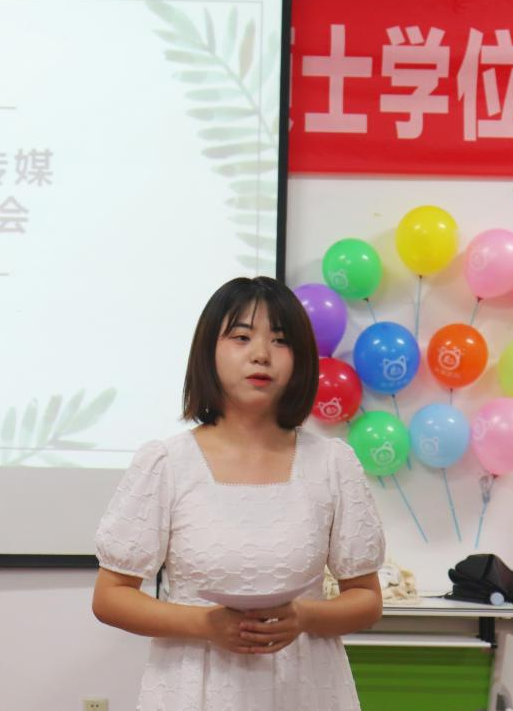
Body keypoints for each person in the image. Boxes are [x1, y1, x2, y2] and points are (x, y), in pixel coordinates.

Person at [92, 276, 385, 711]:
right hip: (193, 689)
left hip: (303, 688)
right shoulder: (167, 463)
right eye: (241, 337)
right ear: (208, 352)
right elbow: (110, 596)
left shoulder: (332, 464)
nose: (261, 354)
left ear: (301, 358)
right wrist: (206, 625)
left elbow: (366, 599)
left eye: (281, 341)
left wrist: (305, 616)